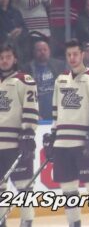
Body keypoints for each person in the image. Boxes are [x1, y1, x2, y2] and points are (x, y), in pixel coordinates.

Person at [50, 39, 89, 227]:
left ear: (82, 54)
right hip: (62, 144)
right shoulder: (60, 80)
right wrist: (52, 135)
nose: (72, 58)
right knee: (68, 189)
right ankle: (74, 224)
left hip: (85, 143)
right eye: (69, 55)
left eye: (76, 54)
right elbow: (55, 113)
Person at [0, 44, 39, 227]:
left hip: (16, 144)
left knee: (25, 186)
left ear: (15, 59)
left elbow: (31, 108)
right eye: (1, 57)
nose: (4, 60)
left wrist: (28, 133)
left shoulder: (25, 80)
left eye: (8, 56)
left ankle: (27, 221)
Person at [22, 40, 65, 120]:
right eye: (39, 50)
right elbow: (24, 95)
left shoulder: (59, 66)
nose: (42, 52)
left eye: (45, 50)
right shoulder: (27, 69)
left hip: (57, 110)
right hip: (38, 112)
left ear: (49, 51)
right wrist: (33, 113)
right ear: (34, 52)